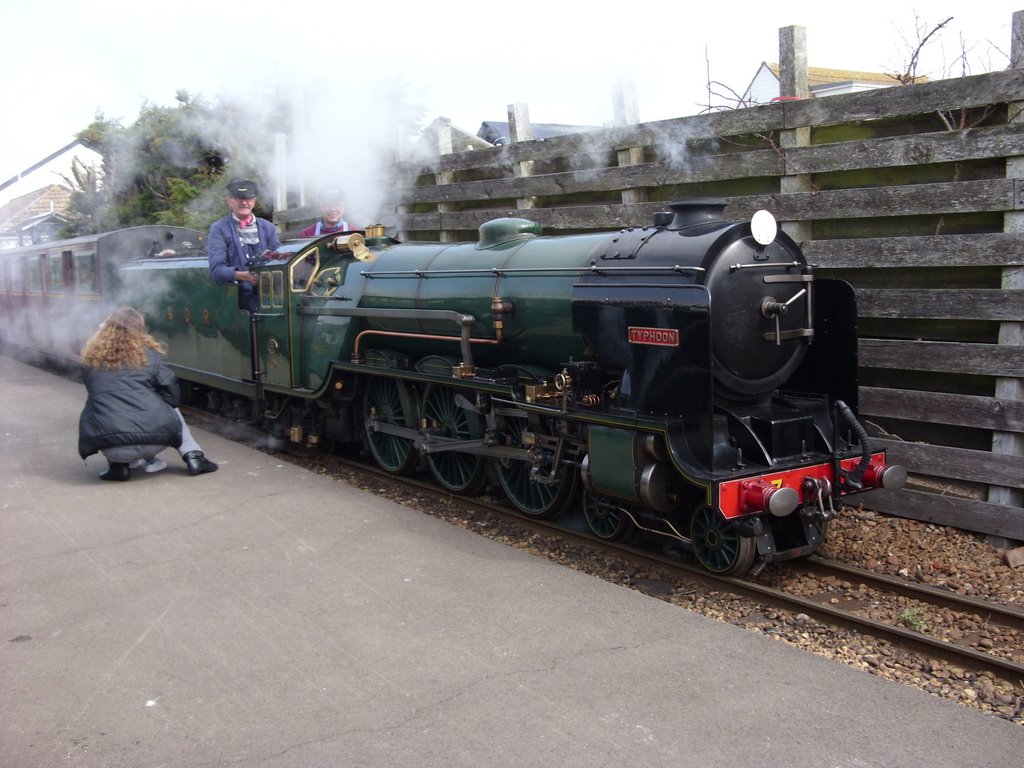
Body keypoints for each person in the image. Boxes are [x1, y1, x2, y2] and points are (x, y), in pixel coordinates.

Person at [78, 307, 219, 481]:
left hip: (114, 448)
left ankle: (119, 468)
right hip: (155, 442)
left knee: (101, 401)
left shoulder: (91, 360)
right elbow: (172, 396)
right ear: (140, 330)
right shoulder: (151, 356)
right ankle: (194, 456)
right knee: (169, 406)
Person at [207, 179, 282, 313]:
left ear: (254, 201)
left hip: (271, 298)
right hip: (239, 303)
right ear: (229, 201)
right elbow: (217, 272)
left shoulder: (269, 228)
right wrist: (244, 276)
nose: (244, 202)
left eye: (248, 198)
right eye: (238, 198)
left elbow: (278, 261)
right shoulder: (218, 228)